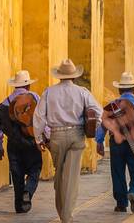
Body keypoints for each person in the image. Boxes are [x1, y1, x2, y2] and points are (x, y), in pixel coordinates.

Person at [33, 59, 103, 223]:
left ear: (60, 76)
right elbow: (98, 113)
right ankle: (67, 216)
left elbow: (39, 117)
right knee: (70, 177)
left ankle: (62, 213)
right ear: (73, 76)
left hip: (56, 136)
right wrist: (94, 130)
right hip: (76, 135)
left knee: (60, 175)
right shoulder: (82, 92)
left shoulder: (49, 92)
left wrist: (38, 138)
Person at [96, 72, 134, 215]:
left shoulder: (112, 106)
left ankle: (121, 204)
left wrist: (99, 142)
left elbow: (103, 124)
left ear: (119, 90)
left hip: (116, 142)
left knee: (117, 172)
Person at [0, 70, 43, 213]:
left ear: (15, 86)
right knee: (35, 170)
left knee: (17, 174)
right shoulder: (35, 98)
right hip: (32, 142)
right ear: (28, 86)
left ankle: (19, 206)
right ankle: (28, 191)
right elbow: (42, 120)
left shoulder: (5, 103)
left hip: (13, 144)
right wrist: (45, 139)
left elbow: (1, 127)